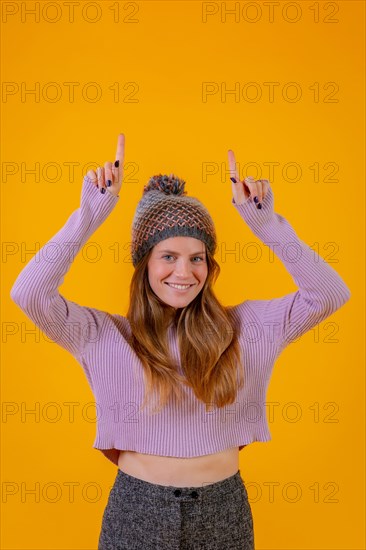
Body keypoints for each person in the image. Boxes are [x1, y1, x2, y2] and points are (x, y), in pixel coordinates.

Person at [10, 134, 351, 549]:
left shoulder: (248, 328)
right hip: (137, 510)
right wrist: (90, 213)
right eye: (168, 256)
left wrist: (267, 223)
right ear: (144, 265)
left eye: (197, 257)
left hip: (222, 509)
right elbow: (29, 293)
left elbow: (329, 294)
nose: (184, 272)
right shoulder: (102, 335)